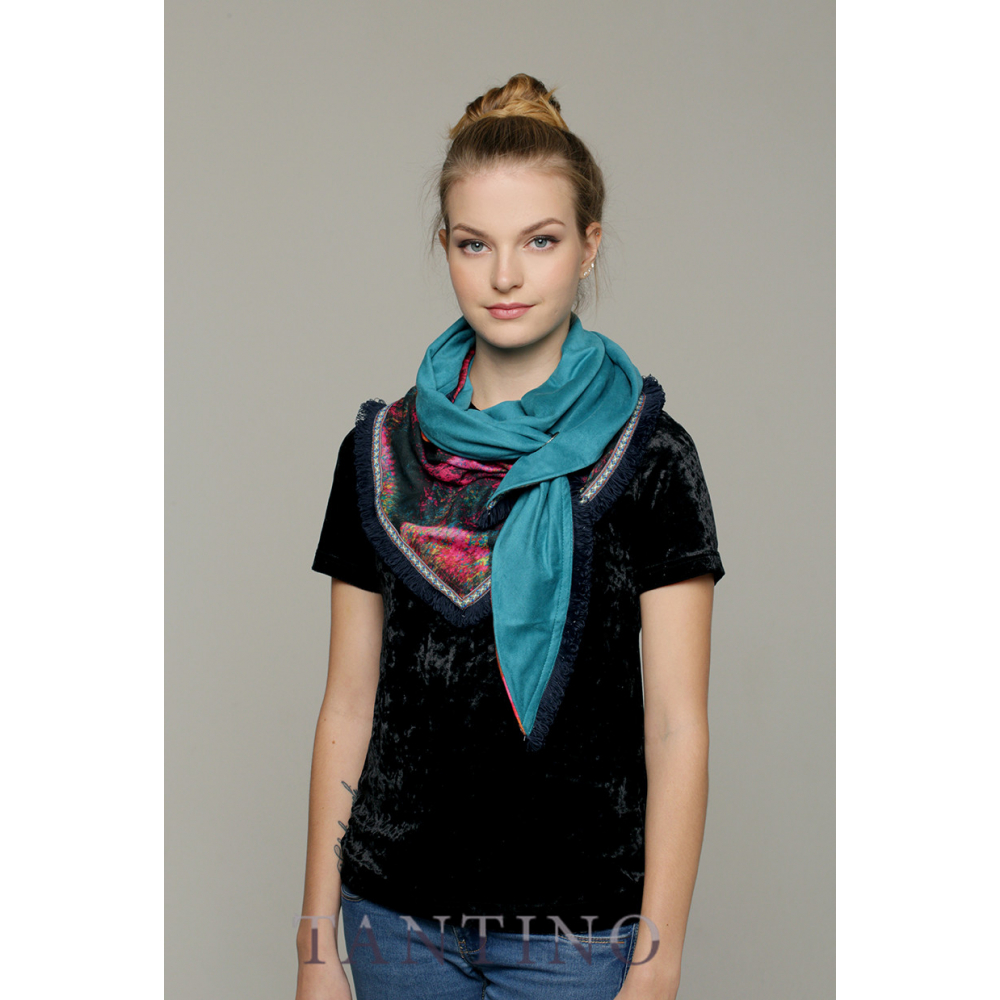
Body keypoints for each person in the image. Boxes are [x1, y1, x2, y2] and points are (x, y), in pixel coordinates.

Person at [294, 73, 725, 1000]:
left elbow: (676, 726)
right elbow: (348, 706)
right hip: (394, 924)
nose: (504, 277)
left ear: (589, 245)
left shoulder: (651, 458)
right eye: (474, 243)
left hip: (581, 935)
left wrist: (660, 961)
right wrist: (315, 945)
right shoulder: (379, 454)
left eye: (540, 240)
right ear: (444, 246)